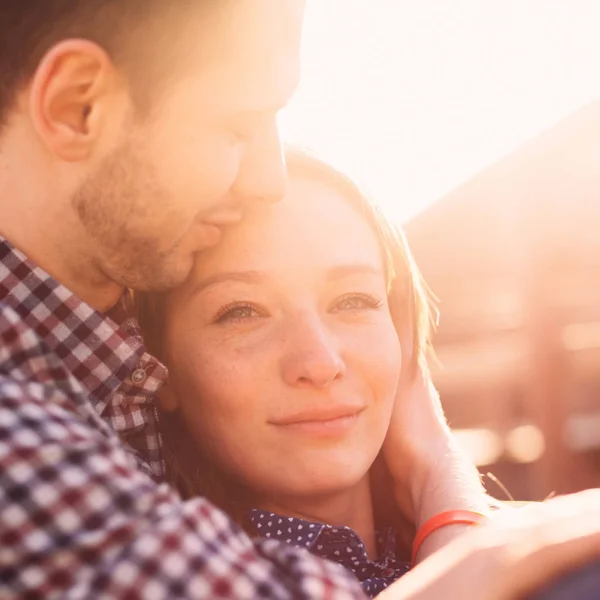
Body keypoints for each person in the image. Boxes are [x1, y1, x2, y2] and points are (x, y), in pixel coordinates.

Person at [1, 1, 600, 598]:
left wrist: (446, 488)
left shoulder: (86, 384)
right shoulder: (21, 425)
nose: (269, 176)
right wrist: (457, 513)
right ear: (76, 105)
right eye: (236, 126)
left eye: (356, 301)